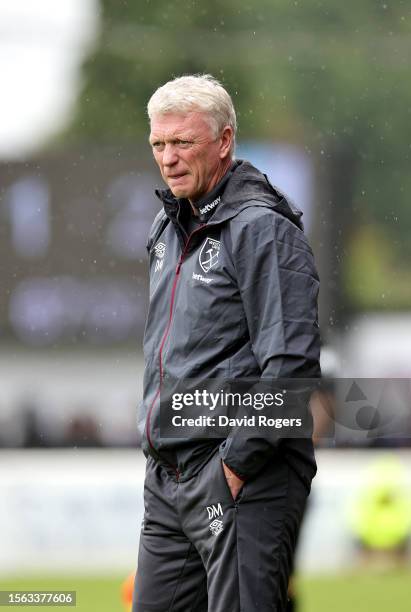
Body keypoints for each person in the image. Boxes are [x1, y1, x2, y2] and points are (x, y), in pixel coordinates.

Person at [133, 74, 321, 612]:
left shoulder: (263, 226)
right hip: (168, 482)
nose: (168, 159)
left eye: (183, 143)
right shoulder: (166, 228)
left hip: (243, 478)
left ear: (224, 141)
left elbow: (291, 367)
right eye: (158, 144)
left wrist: (233, 466)